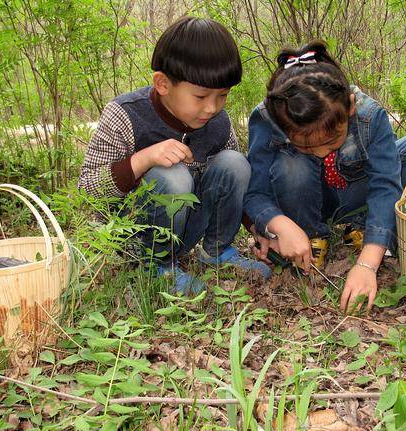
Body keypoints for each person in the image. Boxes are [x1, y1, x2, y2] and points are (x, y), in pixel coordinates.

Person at [244, 40, 406, 313]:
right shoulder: (268, 117)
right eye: (306, 145)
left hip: (352, 194)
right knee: (292, 164)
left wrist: (367, 263)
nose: (323, 152)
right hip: (302, 197)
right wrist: (278, 224)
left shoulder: (369, 114)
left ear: (349, 106)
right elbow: (254, 191)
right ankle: (310, 237)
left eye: (333, 139)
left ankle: (361, 228)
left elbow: (385, 185)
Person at [79, 16, 271, 295]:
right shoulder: (125, 114)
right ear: (163, 84)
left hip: (187, 230)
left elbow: (232, 183)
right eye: (201, 96)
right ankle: (157, 267)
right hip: (135, 238)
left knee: (235, 162)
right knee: (172, 175)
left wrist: (254, 227)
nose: (212, 107)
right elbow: (88, 191)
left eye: (223, 95)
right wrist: (142, 159)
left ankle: (216, 251)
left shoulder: (218, 122)